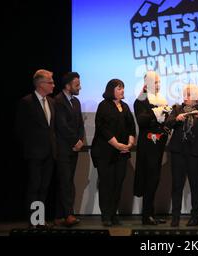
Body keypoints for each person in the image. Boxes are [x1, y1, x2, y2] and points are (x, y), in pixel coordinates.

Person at [91, 79, 136, 226]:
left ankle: (113, 213)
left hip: (122, 153)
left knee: (118, 183)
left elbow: (131, 126)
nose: (122, 91)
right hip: (106, 153)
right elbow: (102, 128)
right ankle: (106, 215)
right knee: (106, 184)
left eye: (123, 88)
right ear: (111, 90)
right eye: (119, 88)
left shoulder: (125, 106)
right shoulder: (104, 106)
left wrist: (129, 143)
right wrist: (117, 145)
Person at [15, 69, 56, 228]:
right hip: (35, 153)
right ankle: (34, 221)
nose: (53, 85)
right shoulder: (27, 102)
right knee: (34, 187)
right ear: (40, 84)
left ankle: (40, 219)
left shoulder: (51, 102)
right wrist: (32, 147)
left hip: (50, 153)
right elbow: (20, 129)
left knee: (44, 187)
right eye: (50, 82)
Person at [165, 84, 198, 227]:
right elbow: (167, 124)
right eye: (185, 94)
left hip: (195, 154)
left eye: (189, 95)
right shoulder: (176, 109)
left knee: (195, 186)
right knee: (177, 185)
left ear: (196, 97)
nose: (185, 97)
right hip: (178, 152)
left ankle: (195, 217)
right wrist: (176, 119)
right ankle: (175, 217)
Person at [133, 71, 170, 225]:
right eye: (155, 82)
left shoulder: (160, 99)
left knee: (155, 179)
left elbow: (163, 121)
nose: (158, 85)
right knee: (149, 178)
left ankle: (150, 214)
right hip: (147, 145)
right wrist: (156, 112)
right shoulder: (141, 100)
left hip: (158, 145)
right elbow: (142, 121)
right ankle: (146, 216)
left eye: (159, 82)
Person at [53, 72, 85, 227]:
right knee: (65, 182)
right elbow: (62, 125)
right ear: (67, 86)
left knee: (67, 181)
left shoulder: (76, 102)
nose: (80, 87)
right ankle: (68, 214)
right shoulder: (58, 101)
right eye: (77, 84)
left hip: (74, 148)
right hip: (63, 148)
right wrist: (74, 140)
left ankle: (60, 215)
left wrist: (81, 141)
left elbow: (80, 124)